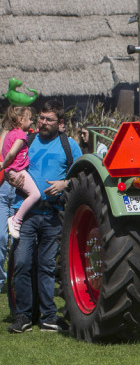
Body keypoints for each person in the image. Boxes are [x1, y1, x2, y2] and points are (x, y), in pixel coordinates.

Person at [8, 100, 82, 333]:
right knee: (21, 264)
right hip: (25, 214)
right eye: (41, 118)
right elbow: (9, 164)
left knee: (47, 266)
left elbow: (83, 176)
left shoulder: (69, 146)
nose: (42, 123)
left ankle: (49, 316)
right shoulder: (26, 141)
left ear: (60, 123)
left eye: (49, 119)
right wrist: (13, 177)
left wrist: (64, 184)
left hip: (52, 215)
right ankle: (24, 316)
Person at [1, 106, 41, 240]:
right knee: (35, 194)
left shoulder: (10, 134)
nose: (31, 122)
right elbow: (12, 153)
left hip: (12, 171)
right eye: (29, 119)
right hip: (17, 171)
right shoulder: (21, 135)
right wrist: (4, 164)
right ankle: (16, 219)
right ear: (20, 120)